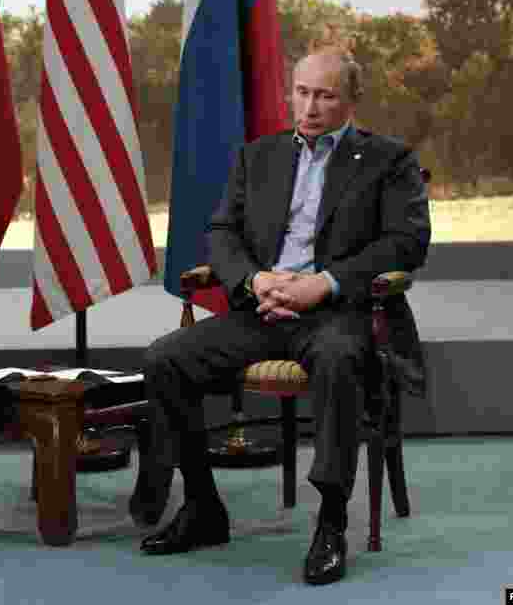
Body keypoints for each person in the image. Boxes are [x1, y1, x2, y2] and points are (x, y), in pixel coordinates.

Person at [138, 50, 430, 585]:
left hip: (339, 314)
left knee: (340, 359)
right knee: (164, 359)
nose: (310, 106)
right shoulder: (260, 156)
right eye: (301, 92)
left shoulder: (390, 160)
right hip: (265, 309)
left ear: (350, 101)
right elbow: (223, 232)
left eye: (325, 95)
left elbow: (406, 243)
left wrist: (324, 283)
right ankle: (203, 507)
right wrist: (257, 282)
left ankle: (332, 521)